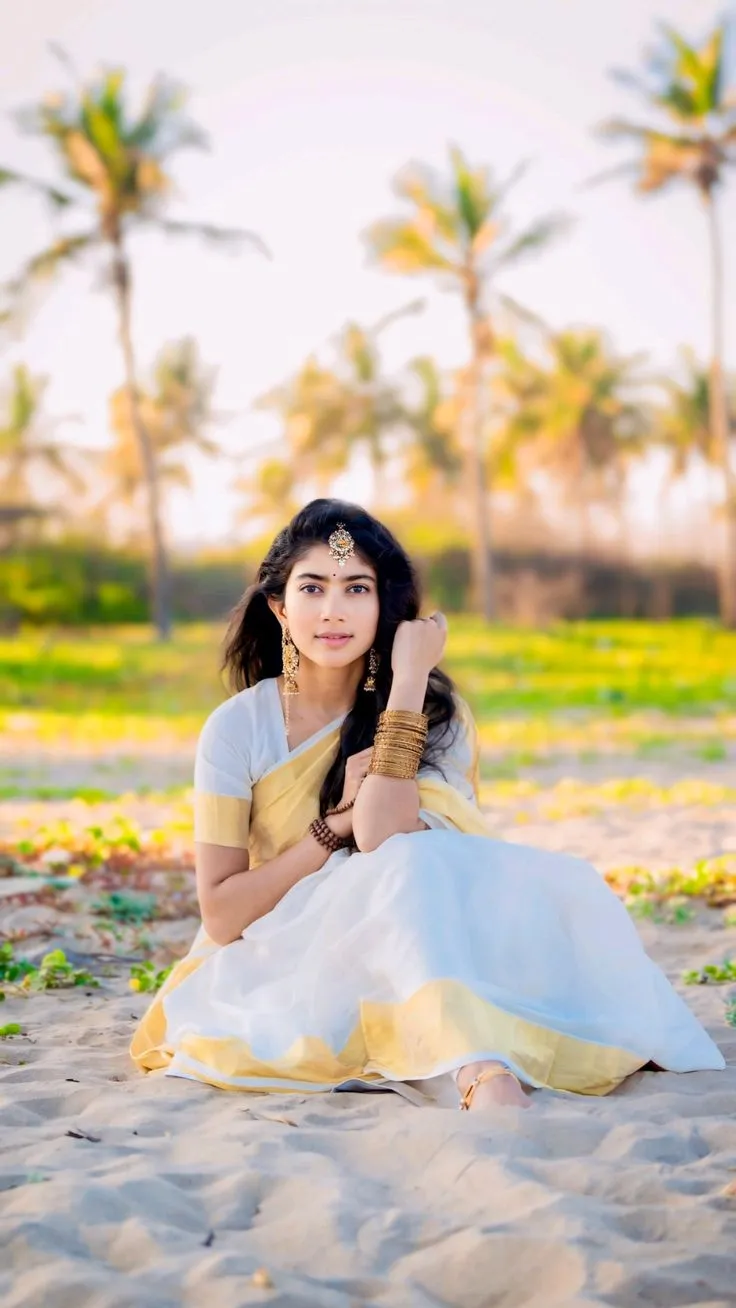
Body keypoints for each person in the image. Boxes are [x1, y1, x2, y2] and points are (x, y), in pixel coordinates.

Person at [130, 499, 725, 1111]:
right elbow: (224, 916)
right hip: (290, 948)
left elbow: (390, 834)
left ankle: (473, 1065)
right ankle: (479, 1069)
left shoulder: (433, 714)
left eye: (356, 588)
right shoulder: (237, 730)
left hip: (418, 931)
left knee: (472, 873)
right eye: (313, 588)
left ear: (385, 606)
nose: (333, 611)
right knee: (400, 871)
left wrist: (407, 685)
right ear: (280, 607)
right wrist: (333, 827)